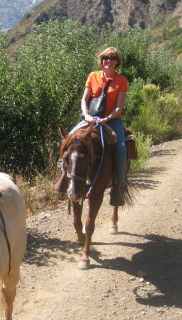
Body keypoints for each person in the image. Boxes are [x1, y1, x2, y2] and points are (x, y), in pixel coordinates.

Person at [55, 47, 128, 206]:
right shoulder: (93, 76)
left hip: (112, 119)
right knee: (68, 141)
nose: (109, 61)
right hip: (90, 117)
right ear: (101, 61)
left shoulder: (122, 80)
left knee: (121, 148)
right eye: (106, 58)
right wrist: (86, 114)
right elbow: (85, 99)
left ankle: (118, 186)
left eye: (113, 58)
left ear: (117, 62)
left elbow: (119, 107)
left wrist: (107, 118)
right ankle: (64, 178)